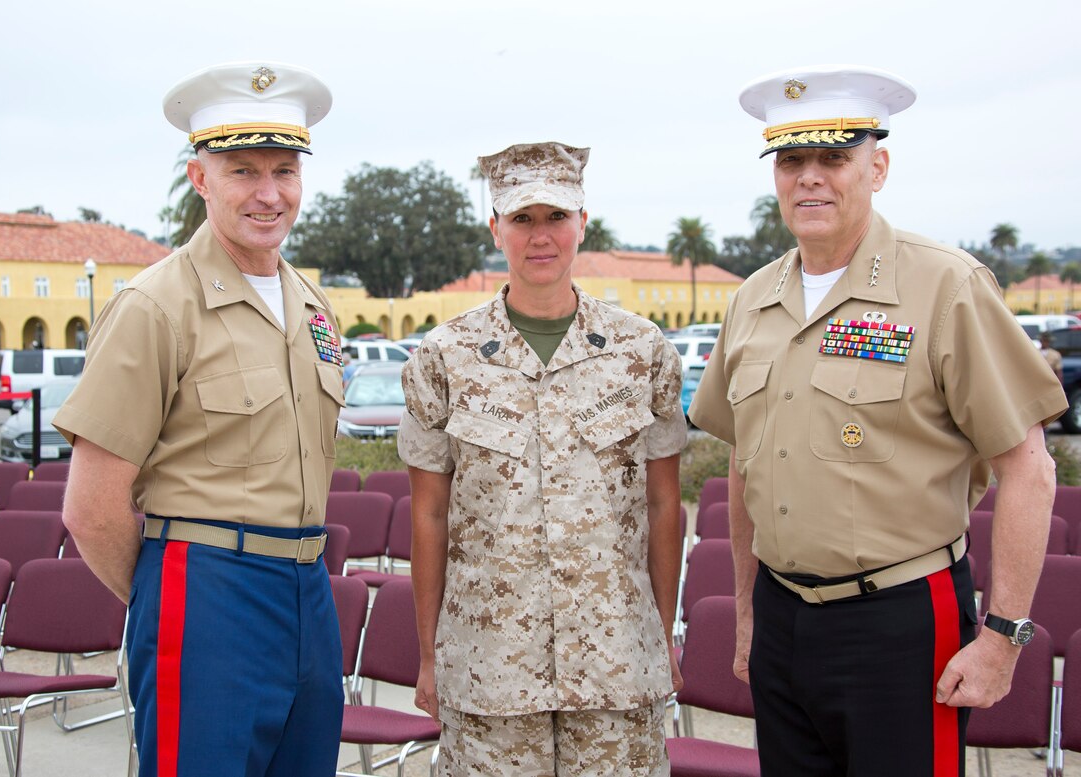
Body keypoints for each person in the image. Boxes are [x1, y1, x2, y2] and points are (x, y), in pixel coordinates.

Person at [689, 65, 1068, 777]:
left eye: (834, 157)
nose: (811, 178)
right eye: (793, 160)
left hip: (899, 619)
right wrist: (745, 612)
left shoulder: (944, 284)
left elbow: (1030, 468)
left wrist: (1003, 637)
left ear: (878, 166)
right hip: (782, 613)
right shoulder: (751, 301)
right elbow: (745, 467)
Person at [54, 61, 346, 777]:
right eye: (243, 170)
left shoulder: (314, 307)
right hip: (209, 589)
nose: (269, 193)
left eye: (285, 170)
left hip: (311, 591)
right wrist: (174, 604)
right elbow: (91, 508)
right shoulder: (156, 306)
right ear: (199, 179)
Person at [397, 141, 686, 776]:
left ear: (584, 222)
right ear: (494, 227)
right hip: (489, 666)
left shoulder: (642, 353)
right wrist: (429, 655)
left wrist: (660, 637)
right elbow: (430, 516)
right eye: (521, 219)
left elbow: (665, 504)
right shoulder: (445, 358)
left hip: (616, 664)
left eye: (556, 217)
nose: (540, 236)